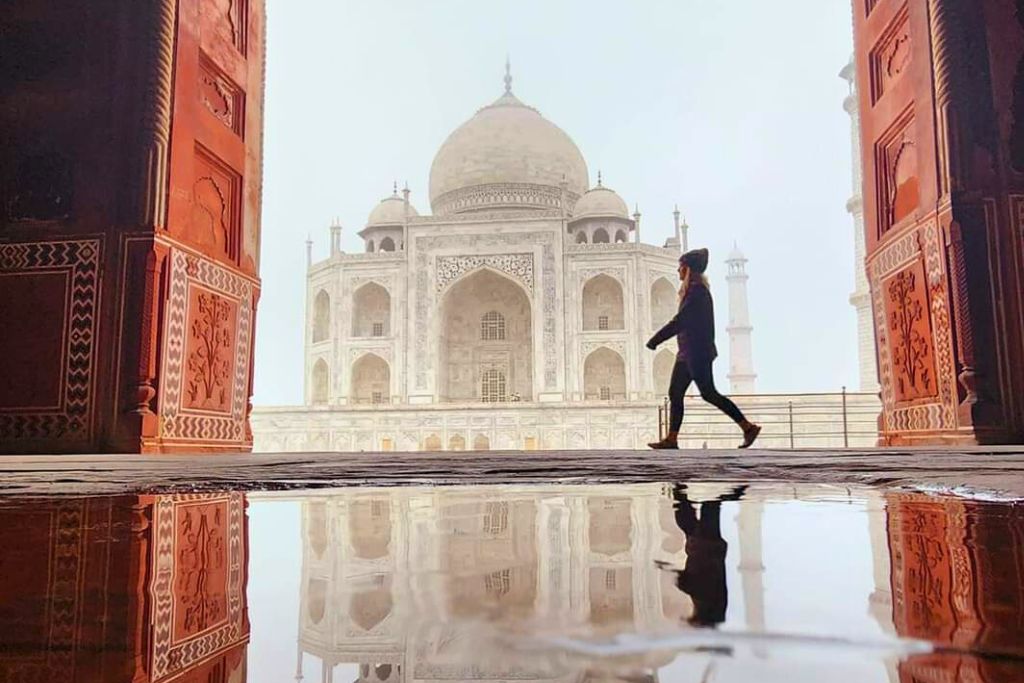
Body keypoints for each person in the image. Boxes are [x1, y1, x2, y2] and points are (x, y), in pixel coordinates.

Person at [646, 248, 761, 449]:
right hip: (688, 352)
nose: (678, 271)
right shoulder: (693, 290)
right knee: (675, 392)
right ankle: (672, 438)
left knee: (709, 393)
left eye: (680, 267)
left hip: (696, 353)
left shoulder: (698, 292)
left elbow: (680, 321)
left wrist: (656, 339)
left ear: (688, 268)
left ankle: (748, 427)